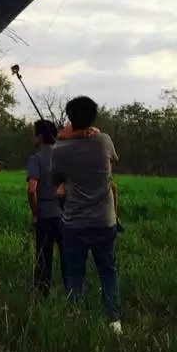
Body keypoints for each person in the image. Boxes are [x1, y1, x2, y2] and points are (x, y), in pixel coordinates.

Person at [53, 96, 122, 332]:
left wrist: (66, 136)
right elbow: (113, 159)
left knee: (74, 273)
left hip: (74, 223)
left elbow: (57, 178)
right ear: (93, 117)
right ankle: (114, 322)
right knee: (108, 272)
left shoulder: (59, 149)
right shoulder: (104, 141)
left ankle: (75, 321)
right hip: (105, 221)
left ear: (70, 119)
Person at [25, 119, 61, 293]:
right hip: (64, 215)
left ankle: (41, 294)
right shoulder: (63, 156)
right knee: (67, 256)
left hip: (45, 215)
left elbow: (32, 189)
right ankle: (72, 293)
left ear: (40, 136)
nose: (32, 138)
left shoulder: (35, 158)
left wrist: (35, 213)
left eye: (34, 134)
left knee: (43, 257)